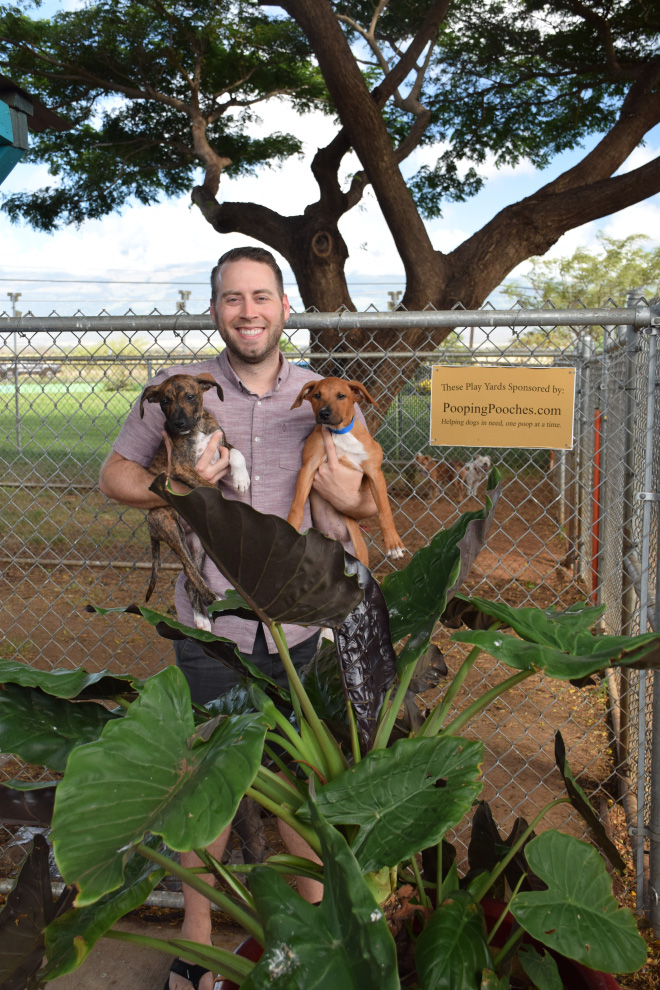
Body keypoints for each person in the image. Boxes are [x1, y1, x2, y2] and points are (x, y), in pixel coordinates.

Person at [99, 246, 376, 990]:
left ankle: (314, 941)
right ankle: (198, 940)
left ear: (284, 307)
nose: (247, 311)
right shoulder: (180, 391)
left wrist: (349, 505)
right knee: (208, 788)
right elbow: (114, 476)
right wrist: (178, 486)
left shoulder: (321, 393)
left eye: (260, 297)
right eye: (231, 298)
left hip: (303, 625)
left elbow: (356, 497)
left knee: (304, 787)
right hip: (213, 624)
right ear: (215, 310)